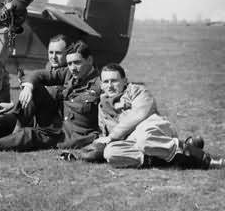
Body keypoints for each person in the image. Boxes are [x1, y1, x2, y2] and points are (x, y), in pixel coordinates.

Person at [0, 40, 101, 153]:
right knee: (32, 91)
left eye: (77, 62)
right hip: (52, 121)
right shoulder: (69, 73)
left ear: (90, 60)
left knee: (28, 135)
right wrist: (28, 88)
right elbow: (36, 75)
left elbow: (112, 109)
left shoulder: (101, 84)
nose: (73, 67)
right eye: (69, 63)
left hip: (68, 135)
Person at [78, 63, 223, 169]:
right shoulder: (102, 105)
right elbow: (105, 135)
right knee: (111, 153)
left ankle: (205, 160)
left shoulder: (137, 91)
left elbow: (139, 115)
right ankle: (174, 152)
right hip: (132, 140)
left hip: (152, 128)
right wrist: (88, 151)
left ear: (124, 80)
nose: (110, 85)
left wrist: (112, 137)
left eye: (114, 81)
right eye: (106, 82)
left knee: (144, 139)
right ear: (102, 85)